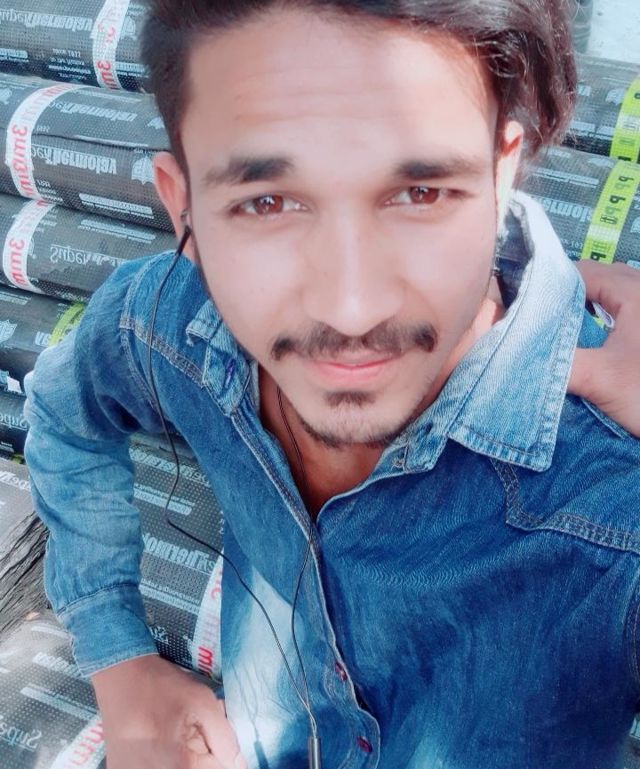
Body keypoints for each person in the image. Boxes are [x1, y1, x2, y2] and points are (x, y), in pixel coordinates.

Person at [23, 1, 640, 768]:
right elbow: (67, 412)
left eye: (421, 193)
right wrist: (120, 664)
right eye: (267, 202)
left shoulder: (614, 500)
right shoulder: (172, 326)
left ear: (502, 171)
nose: (351, 309)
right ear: (184, 207)